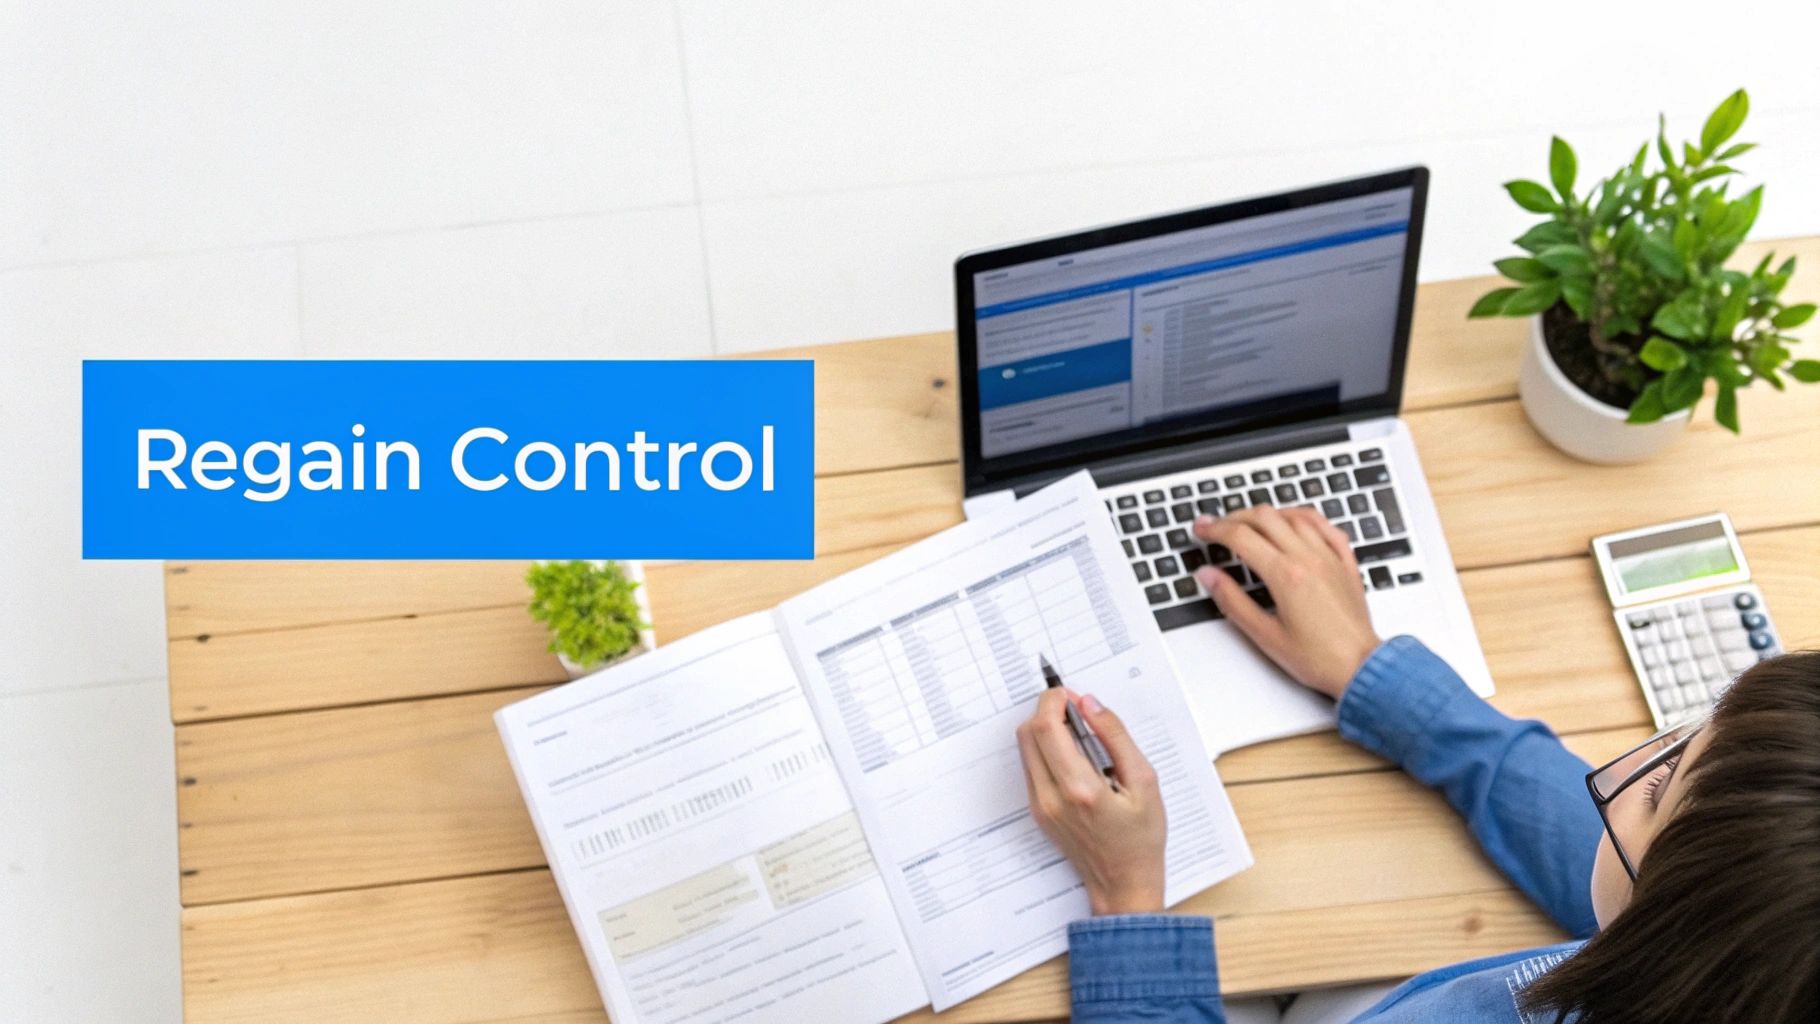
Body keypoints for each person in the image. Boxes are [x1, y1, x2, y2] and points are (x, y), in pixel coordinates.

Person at [1016, 504, 1819, 1023]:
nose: (1622, 768)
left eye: (1655, 788)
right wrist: (1376, 676)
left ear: (1672, 939)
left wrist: (1127, 899)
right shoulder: (1752, 965)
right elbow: (1638, 855)